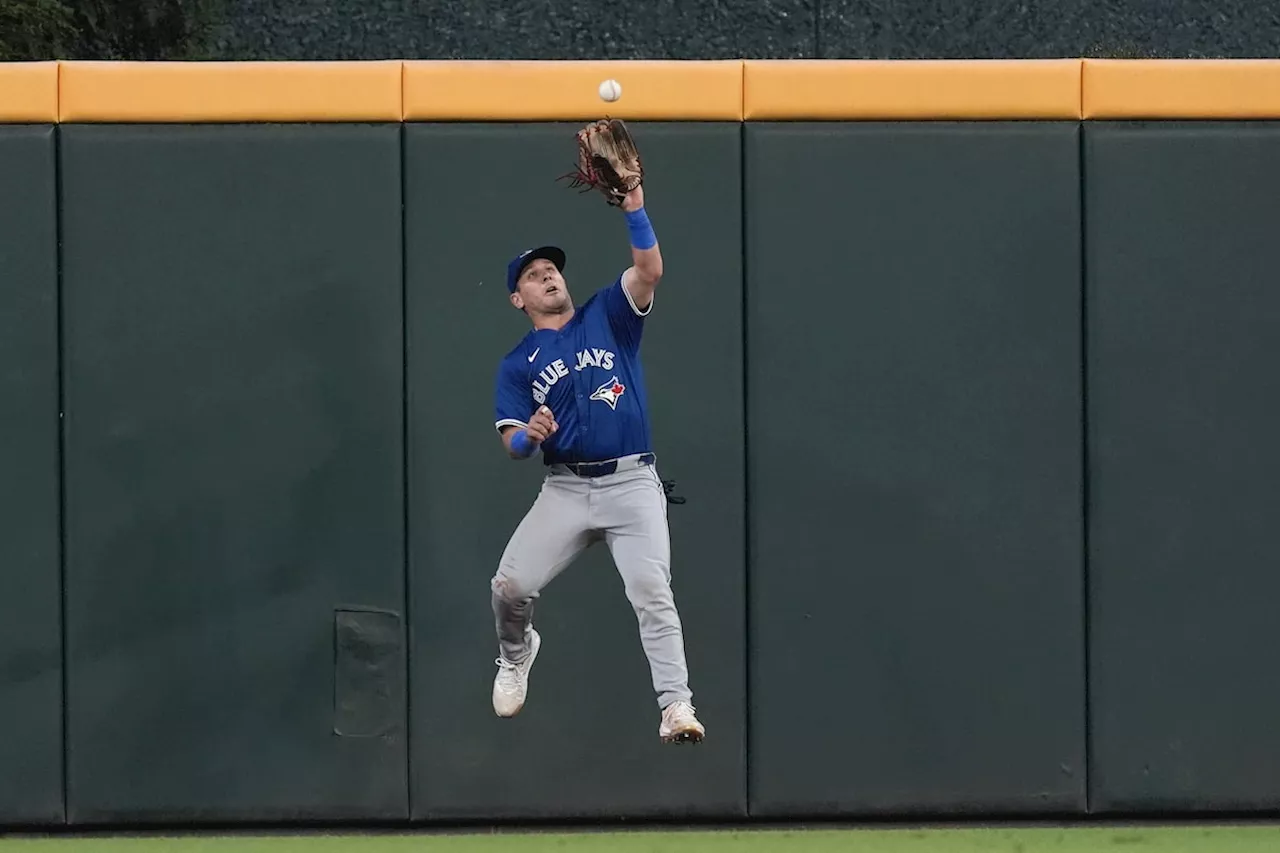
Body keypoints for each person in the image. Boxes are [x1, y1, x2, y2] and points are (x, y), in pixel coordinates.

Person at [488, 182, 704, 744]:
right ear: (518, 298)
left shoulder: (609, 314)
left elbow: (649, 270)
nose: (548, 276)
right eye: (533, 275)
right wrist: (529, 437)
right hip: (564, 488)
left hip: (632, 481)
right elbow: (511, 440)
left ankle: (676, 706)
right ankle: (517, 655)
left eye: (551, 269)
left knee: (652, 590)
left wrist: (634, 204)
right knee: (511, 587)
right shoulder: (517, 364)